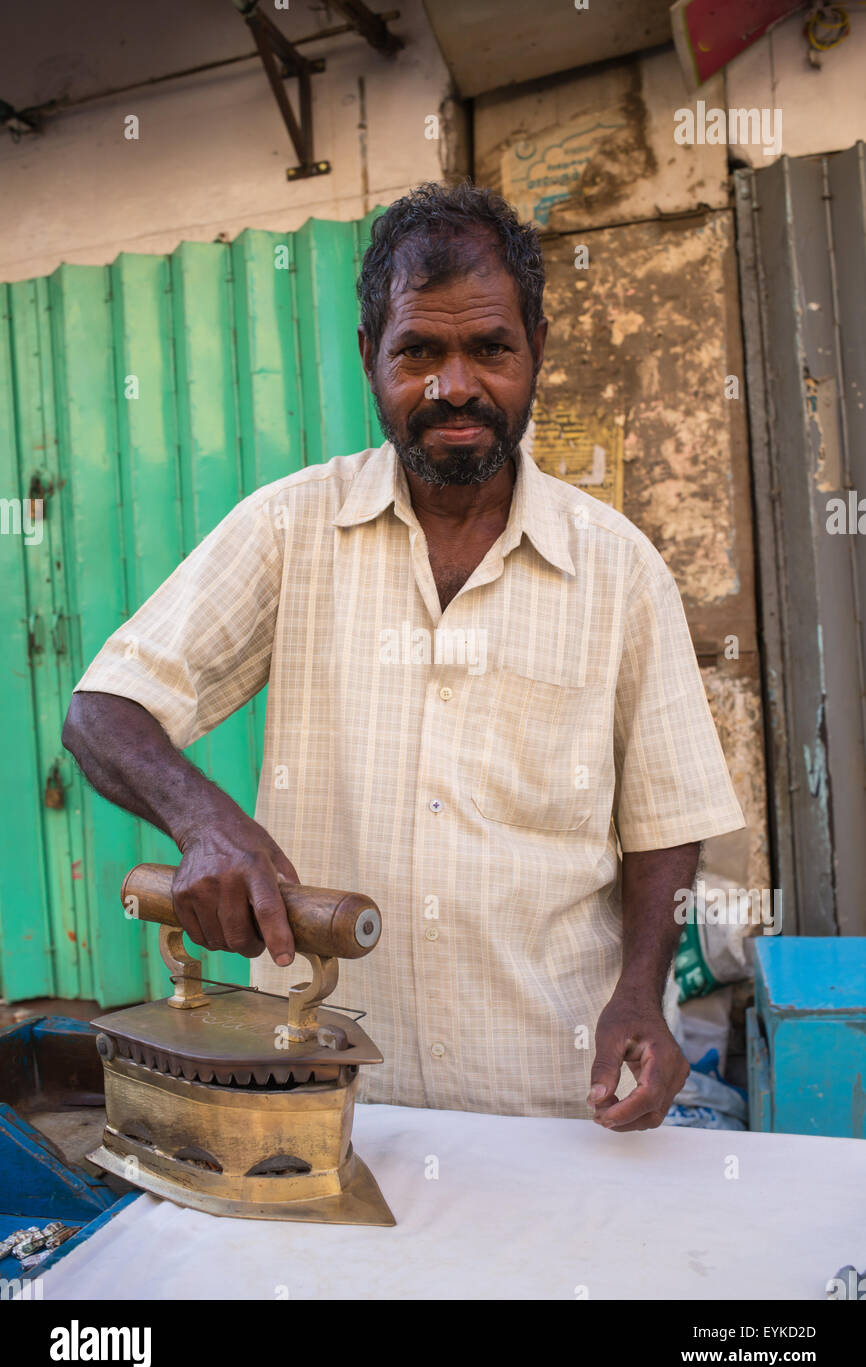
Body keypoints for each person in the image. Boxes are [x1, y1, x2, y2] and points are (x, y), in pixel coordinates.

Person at [63, 182, 745, 1129]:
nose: (454, 386)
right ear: (369, 359)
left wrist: (641, 992)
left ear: (536, 351)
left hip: (553, 1102)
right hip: (323, 1106)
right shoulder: (291, 530)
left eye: (490, 350)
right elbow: (101, 710)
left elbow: (666, 820)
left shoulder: (620, 569)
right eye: (419, 350)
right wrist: (203, 822)